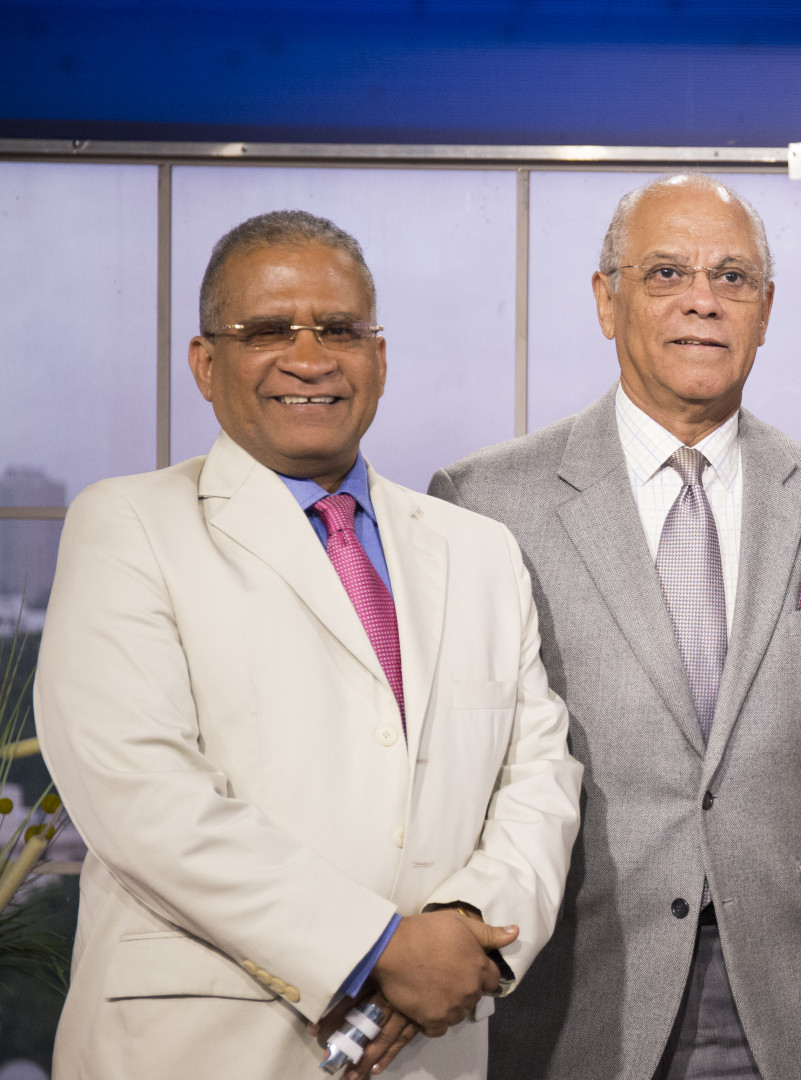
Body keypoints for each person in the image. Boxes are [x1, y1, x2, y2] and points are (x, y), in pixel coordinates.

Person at [35, 210, 583, 1080]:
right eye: (267, 331)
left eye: (339, 329)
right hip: (201, 1048)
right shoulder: (127, 526)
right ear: (205, 363)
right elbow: (142, 794)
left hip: (427, 1047)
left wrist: (467, 929)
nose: (309, 357)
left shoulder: (477, 549)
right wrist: (378, 948)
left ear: (379, 357)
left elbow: (539, 776)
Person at [431, 174, 801, 1080]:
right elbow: (461, 770)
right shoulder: (486, 501)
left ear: (765, 310)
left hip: (780, 988)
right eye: (667, 273)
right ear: (607, 301)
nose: (702, 301)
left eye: (732, 277)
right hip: (568, 976)